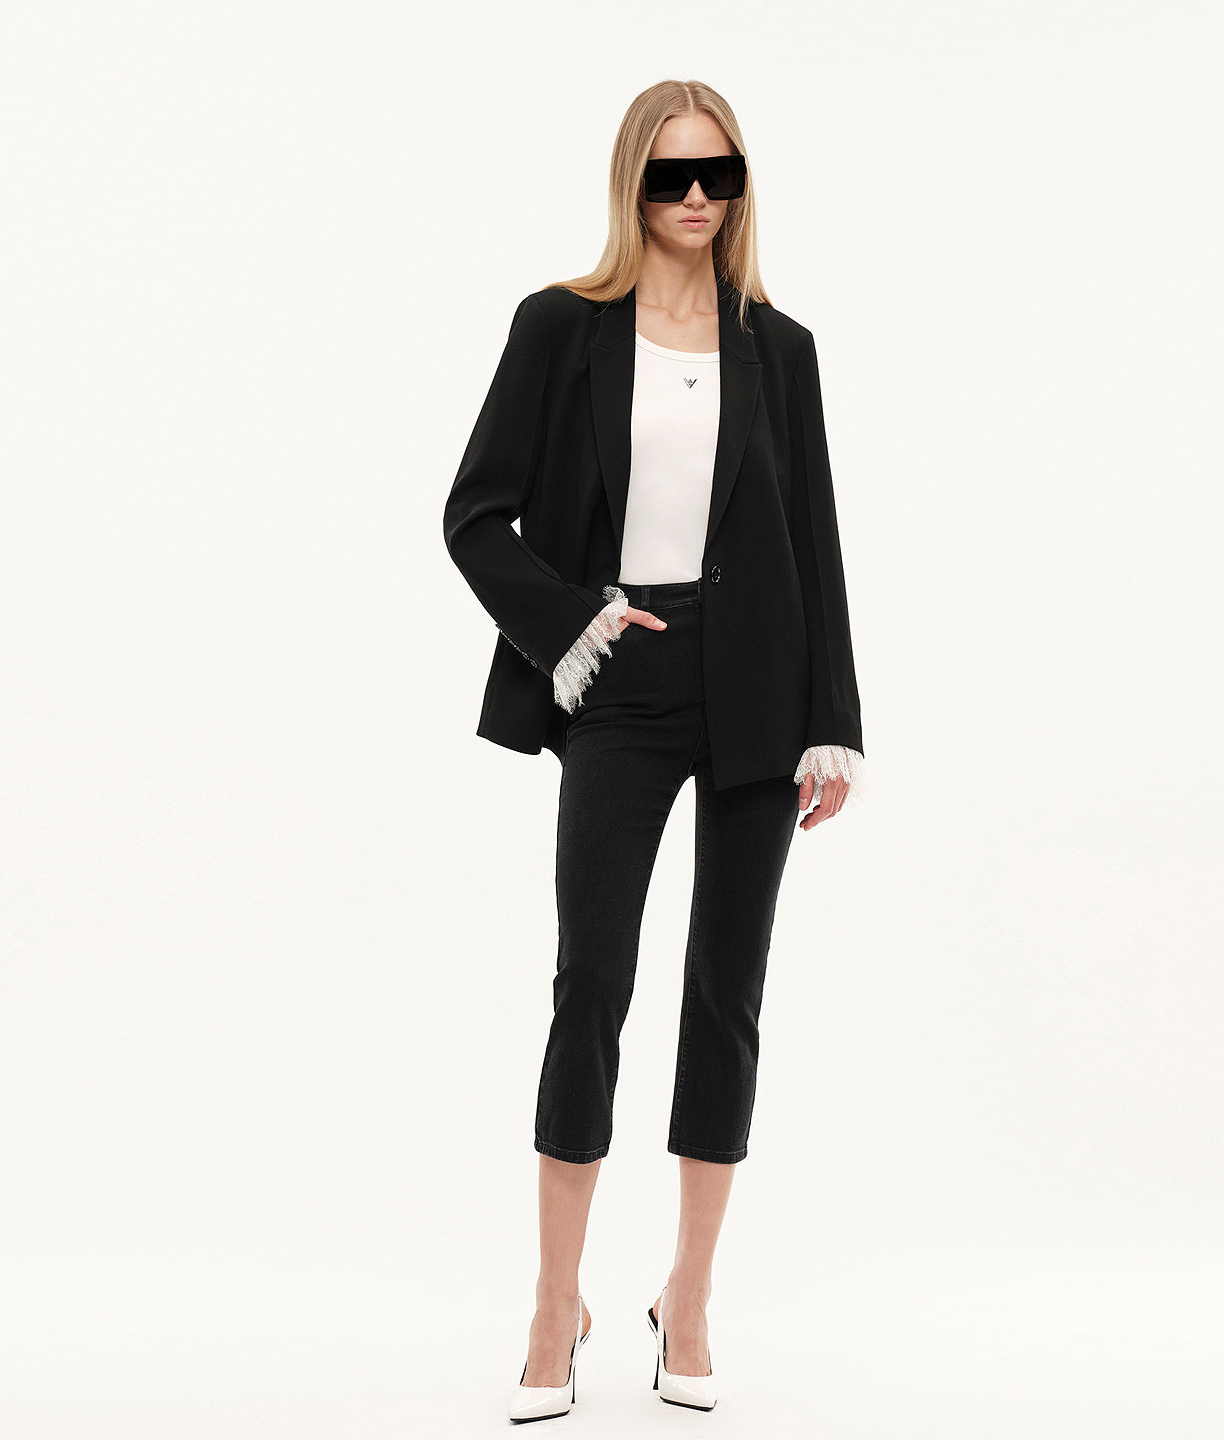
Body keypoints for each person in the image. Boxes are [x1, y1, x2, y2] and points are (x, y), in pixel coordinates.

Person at [442, 79, 867, 1422]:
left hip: (759, 687)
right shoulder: (560, 327)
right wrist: (574, 621)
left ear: (741, 187)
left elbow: (814, 535)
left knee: (726, 993)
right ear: (631, 183)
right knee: (593, 985)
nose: (696, 198)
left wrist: (834, 720)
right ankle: (554, 1300)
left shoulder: (779, 348)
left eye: (718, 175)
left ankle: (687, 1295)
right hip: (618, 680)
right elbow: (474, 515)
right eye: (671, 175)